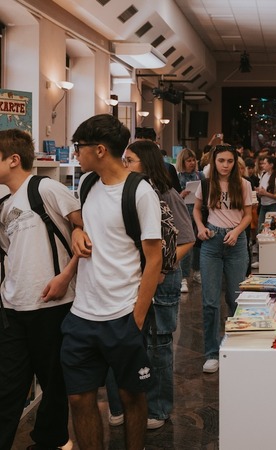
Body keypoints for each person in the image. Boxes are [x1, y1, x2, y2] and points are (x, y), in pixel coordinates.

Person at [62, 114, 163, 450]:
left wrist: (137, 315)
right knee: (78, 398)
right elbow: (87, 224)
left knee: (131, 396)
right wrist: (77, 231)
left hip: (123, 312)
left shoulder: (140, 192)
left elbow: (154, 259)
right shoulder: (87, 184)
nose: (76, 153)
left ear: (100, 150)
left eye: (80, 147)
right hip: (82, 313)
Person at [0, 129, 81, 450]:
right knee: (8, 385)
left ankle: (50, 441)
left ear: (13, 159)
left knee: (54, 382)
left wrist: (66, 275)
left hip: (52, 305)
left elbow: (83, 228)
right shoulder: (4, 203)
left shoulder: (46, 187)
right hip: (12, 308)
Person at [105, 140, 194, 430]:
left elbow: (187, 239)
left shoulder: (166, 195)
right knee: (123, 342)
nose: (125, 164)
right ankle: (119, 406)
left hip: (161, 283)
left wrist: (163, 267)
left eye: (130, 160)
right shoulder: (122, 193)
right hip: (129, 280)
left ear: (146, 162)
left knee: (158, 345)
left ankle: (157, 408)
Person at [193, 145, 252, 373]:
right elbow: (197, 210)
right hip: (211, 242)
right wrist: (199, 227)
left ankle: (236, 346)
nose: (225, 165)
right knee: (210, 301)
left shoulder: (244, 184)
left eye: (229, 161)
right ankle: (211, 352)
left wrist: (236, 232)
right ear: (214, 162)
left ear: (235, 162)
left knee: (236, 298)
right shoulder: (206, 183)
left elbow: (248, 215)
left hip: (236, 243)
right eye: (221, 161)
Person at [176, 148, 205, 291]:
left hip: (199, 213)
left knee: (199, 244)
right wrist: (181, 195)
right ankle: (183, 277)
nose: (192, 163)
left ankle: (197, 271)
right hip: (183, 215)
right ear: (183, 162)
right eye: (189, 160)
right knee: (186, 246)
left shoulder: (200, 175)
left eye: (193, 160)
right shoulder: (177, 177)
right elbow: (172, 198)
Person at [256, 155, 276, 230]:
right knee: (260, 227)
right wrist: (260, 193)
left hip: (274, 206)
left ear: (271, 165)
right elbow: (261, 190)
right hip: (263, 205)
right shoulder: (264, 175)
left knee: (273, 228)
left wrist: (265, 193)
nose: (263, 165)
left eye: (265, 163)